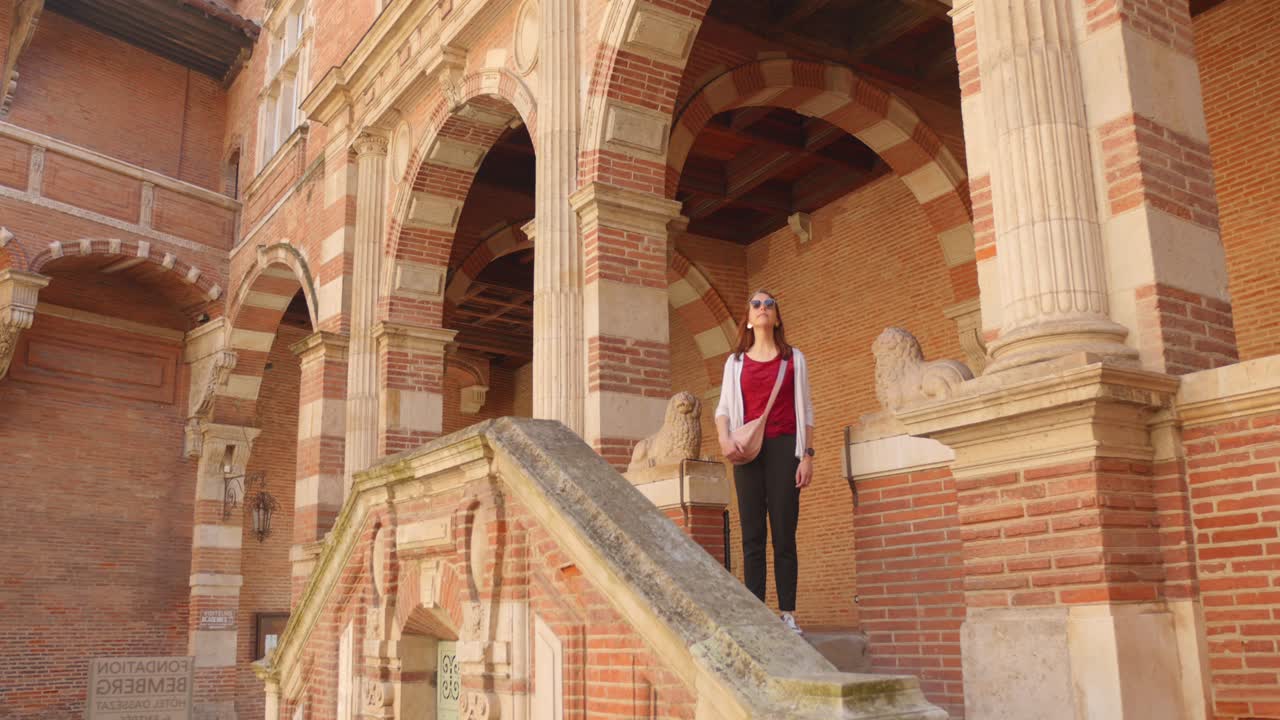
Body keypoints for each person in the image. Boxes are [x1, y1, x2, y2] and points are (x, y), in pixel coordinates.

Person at [714, 289, 815, 635]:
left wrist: (807, 456)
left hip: (785, 448)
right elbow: (723, 409)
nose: (762, 308)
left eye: (769, 304)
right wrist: (725, 440)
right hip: (747, 451)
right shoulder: (735, 362)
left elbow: (807, 412)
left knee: (784, 533)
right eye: (755, 304)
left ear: (777, 316)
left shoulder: (793, 359)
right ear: (748, 317)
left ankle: (787, 613)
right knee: (752, 534)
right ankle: (757, 614)